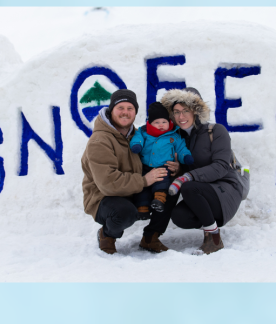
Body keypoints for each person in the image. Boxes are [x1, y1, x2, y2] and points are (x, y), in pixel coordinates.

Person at [80, 89, 170, 255]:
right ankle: (107, 234)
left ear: (135, 112)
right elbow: (108, 184)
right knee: (125, 213)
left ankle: (151, 237)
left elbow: (155, 157)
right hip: (103, 198)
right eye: (120, 107)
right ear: (111, 110)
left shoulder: (137, 136)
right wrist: (144, 181)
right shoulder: (100, 141)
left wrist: (173, 165)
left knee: (167, 190)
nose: (125, 112)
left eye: (130, 108)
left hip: (131, 192)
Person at [159, 87, 243, 255]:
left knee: (189, 187)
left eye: (186, 111)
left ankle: (214, 238)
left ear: (196, 111)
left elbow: (220, 166)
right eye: (176, 112)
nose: (181, 117)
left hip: (226, 190)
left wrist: (187, 177)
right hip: (201, 191)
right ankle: (209, 225)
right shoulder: (178, 138)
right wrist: (178, 170)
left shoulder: (217, 131)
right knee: (179, 215)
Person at [129, 102, 193, 223]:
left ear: (169, 122)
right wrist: (136, 145)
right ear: (150, 123)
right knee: (143, 188)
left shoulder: (173, 135)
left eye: (164, 122)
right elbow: (137, 139)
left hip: (164, 166)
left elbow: (181, 148)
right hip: (146, 166)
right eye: (157, 122)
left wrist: (186, 156)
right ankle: (142, 209)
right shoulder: (143, 132)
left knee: (162, 182)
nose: (161, 125)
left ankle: (159, 200)